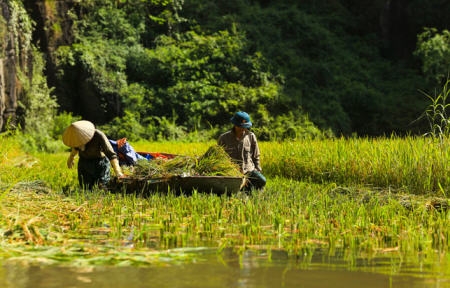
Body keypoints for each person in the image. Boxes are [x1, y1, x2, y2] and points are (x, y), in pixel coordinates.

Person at [62, 120, 124, 189]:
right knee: (85, 188)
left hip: (100, 163)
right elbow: (75, 149)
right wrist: (71, 157)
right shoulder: (76, 138)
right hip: (84, 163)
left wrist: (118, 172)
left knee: (102, 187)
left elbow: (111, 154)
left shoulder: (98, 135)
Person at [218, 111, 266, 191]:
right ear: (234, 124)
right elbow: (219, 158)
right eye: (240, 126)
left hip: (248, 170)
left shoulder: (251, 136)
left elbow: (256, 156)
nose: (242, 129)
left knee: (262, 180)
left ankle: (248, 192)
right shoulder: (224, 138)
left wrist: (258, 170)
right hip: (232, 173)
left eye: (245, 126)